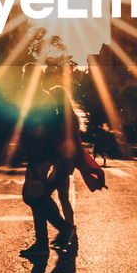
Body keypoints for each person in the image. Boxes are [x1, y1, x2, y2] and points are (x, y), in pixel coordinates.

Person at [17, 75, 105, 262]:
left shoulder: (47, 105)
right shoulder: (51, 108)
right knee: (39, 198)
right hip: (50, 159)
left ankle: (63, 230)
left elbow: (47, 133)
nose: (23, 79)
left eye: (25, 76)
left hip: (50, 160)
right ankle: (51, 237)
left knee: (37, 197)